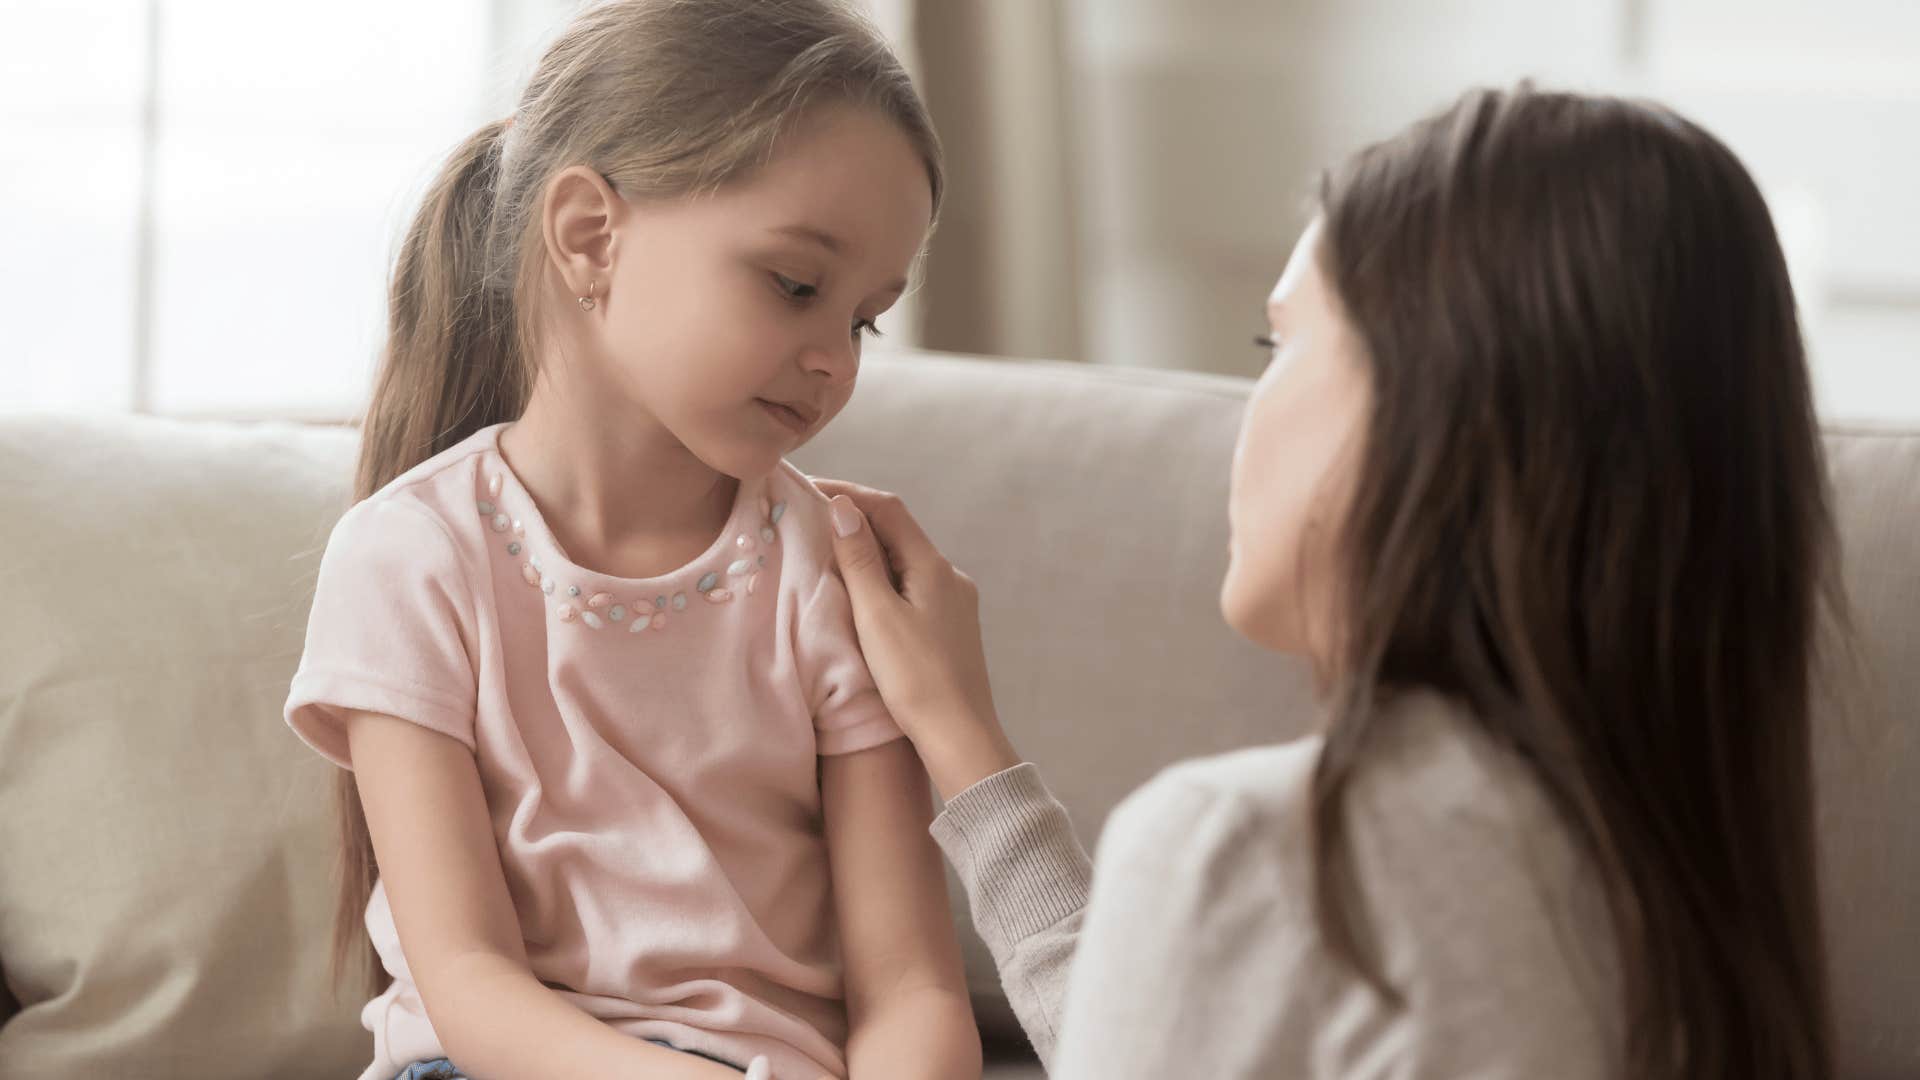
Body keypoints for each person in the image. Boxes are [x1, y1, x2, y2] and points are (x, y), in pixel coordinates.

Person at [820, 85, 1838, 1080]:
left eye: (1283, 343)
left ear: (1436, 405)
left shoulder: (1248, 849)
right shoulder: (1690, 879)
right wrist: (963, 743)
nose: (1247, 412)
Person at [281, 3, 978, 1077]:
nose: (836, 359)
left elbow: (913, 989)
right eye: (797, 285)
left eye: (865, 318)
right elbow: (469, 982)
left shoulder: (832, 570)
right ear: (589, 236)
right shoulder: (410, 557)